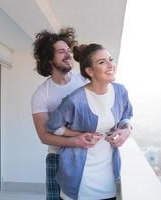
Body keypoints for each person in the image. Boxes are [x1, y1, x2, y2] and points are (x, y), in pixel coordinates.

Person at [46, 43, 133, 200]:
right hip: (80, 181)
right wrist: (78, 135)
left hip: (109, 181)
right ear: (90, 71)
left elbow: (126, 116)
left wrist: (126, 130)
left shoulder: (120, 92)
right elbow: (53, 127)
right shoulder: (75, 100)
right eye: (102, 62)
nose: (110, 65)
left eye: (110, 59)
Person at [31, 28, 102, 200]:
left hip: (89, 155)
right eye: (62, 52)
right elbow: (44, 136)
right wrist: (75, 141)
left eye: (68, 51)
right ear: (49, 59)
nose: (68, 55)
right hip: (57, 158)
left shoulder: (85, 82)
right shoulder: (41, 94)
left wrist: (126, 126)